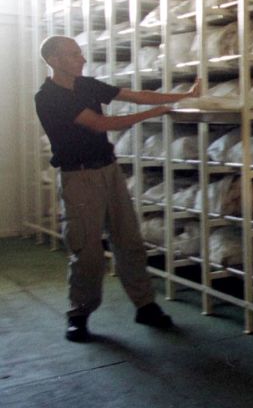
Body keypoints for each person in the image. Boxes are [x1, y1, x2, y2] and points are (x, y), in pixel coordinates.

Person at [34, 35, 202, 342]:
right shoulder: (48, 96)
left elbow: (134, 95)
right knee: (87, 252)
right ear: (54, 61)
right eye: (74, 55)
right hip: (79, 178)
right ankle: (79, 314)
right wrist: (158, 113)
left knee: (129, 241)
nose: (82, 59)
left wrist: (180, 97)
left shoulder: (86, 85)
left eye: (80, 53)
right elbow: (100, 124)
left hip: (108, 170)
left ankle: (145, 306)